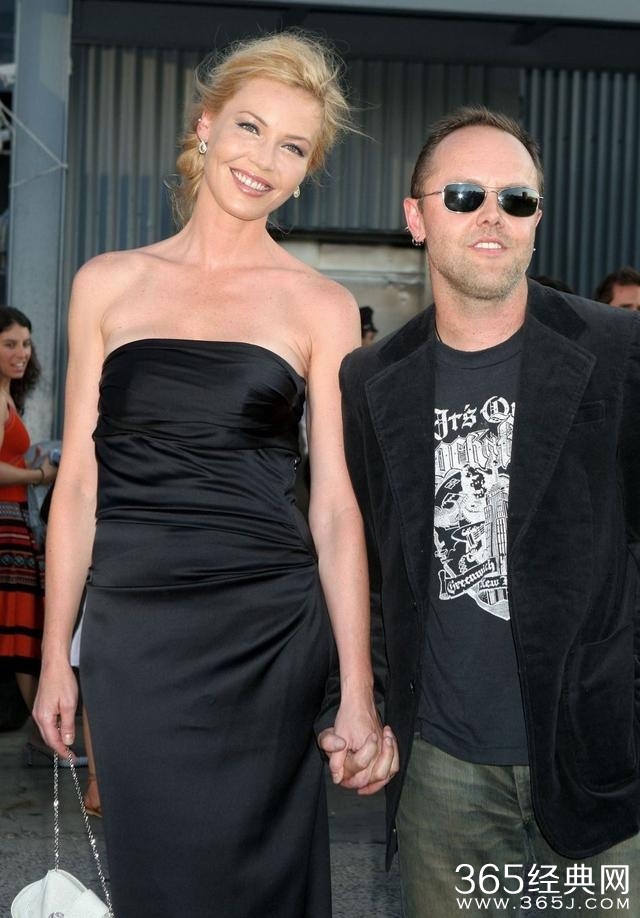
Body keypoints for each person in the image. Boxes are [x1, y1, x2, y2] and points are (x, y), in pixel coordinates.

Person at [32, 30, 397, 917]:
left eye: (293, 147)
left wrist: (357, 689)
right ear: (206, 126)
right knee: (157, 876)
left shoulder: (318, 304)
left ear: (305, 174)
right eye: (250, 127)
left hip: (268, 632)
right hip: (136, 633)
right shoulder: (107, 284)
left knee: (261, 880)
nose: (264, 160)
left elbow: (335, 508)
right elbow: (77, 487)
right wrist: (54, 657)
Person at [320, 106, 640, 917]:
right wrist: (364, 702)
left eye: (516, 199)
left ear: (537, 219)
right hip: (444, 774)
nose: (492, 214)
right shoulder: (370, 380)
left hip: (598, 756)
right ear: (416, 217)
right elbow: (373, 565)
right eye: (464, 195)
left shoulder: (617, 351)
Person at [0, 307, 57, 742]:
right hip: (6, 527)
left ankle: (42, 734)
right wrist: (39, 475)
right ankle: (45, 736)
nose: (22, 353)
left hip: (14, 523)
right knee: (20, 628)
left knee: (20, 628)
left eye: (26, 343)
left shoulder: (7, 396)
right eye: (10, 344)